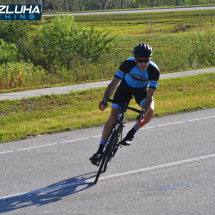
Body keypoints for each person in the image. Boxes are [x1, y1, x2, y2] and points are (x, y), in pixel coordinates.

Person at [89, 43, 160, 165]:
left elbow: (150, 96)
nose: (143, 64)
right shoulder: (128, 63)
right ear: (135, 59)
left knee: (150, 111)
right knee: (113, 117)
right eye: (140, 60)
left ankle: (131, 133)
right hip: (124, 88)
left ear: (150, 59)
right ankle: (99, 151)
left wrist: (143, 113)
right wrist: (105, 99)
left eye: (146, 60)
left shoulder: (154, 71)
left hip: (141, 91)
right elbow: (113, 84)